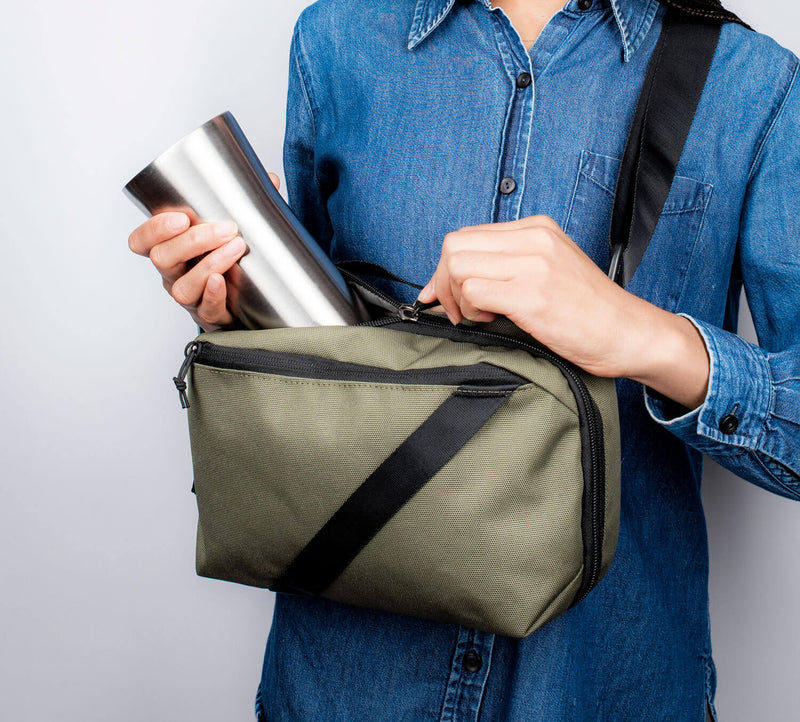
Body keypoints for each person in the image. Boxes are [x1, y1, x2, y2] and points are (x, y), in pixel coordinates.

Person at [128, 0, 800, 718]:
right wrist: (235, 310)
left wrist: (644, 335)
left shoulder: (751, 82)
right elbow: (323, 363)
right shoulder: (337, 39)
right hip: (344, 688)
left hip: (599, 685)